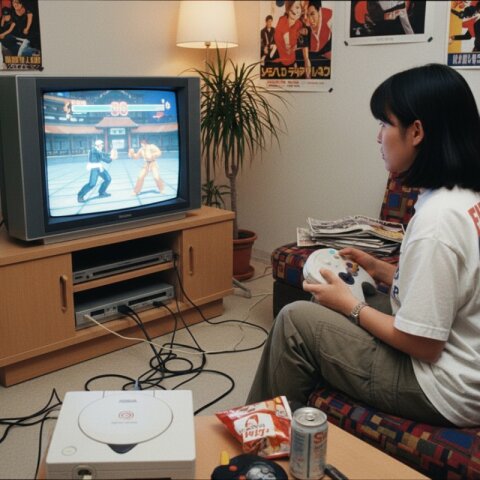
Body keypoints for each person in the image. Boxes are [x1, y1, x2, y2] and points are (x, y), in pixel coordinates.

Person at [247, 63, 480, 428]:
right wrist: (379, 269)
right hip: (467, 361)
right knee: (332, 303)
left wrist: (351, 306)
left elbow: (424, 344)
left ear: (416, 132)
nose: (378, 136)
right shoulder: (464, 198)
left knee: (295, 320)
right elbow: (450, 286)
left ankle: (258, 436)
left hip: (444, 387)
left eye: (385, 123)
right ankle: (305, 419)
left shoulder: (437, 222)